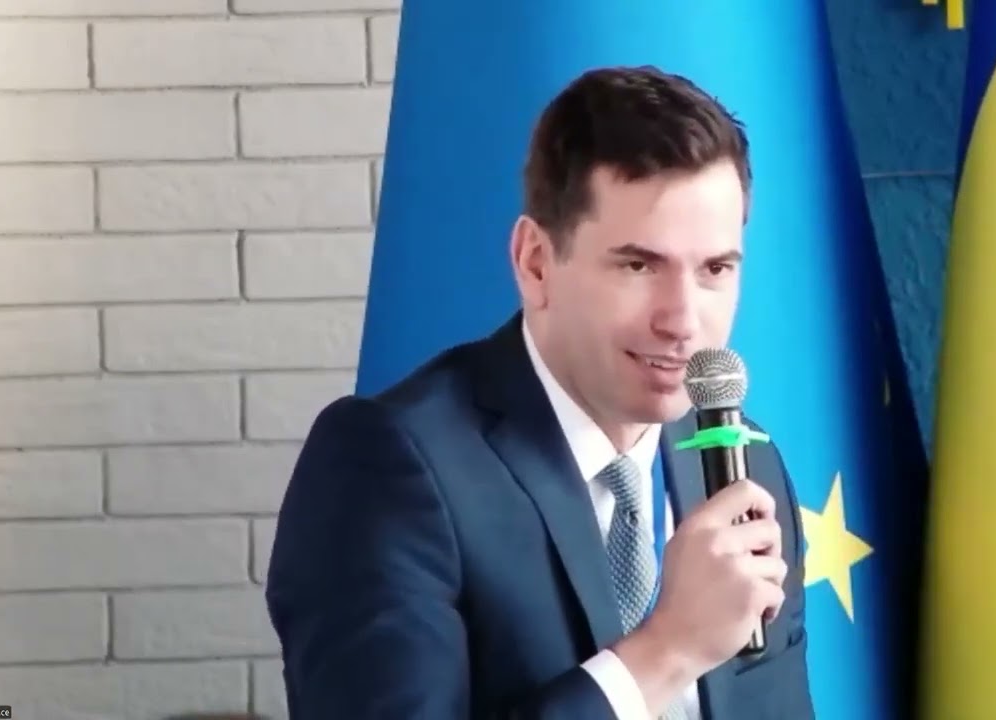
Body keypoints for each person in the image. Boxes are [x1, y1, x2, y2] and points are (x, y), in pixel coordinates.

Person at [265, 65, 816, 719]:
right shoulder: (386, 462)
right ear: (535, 263)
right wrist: (666, 650)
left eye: (715, 269)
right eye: (639, 265)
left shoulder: (745, 465)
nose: (683, 320)